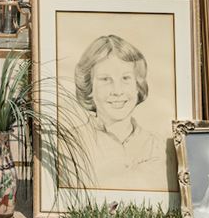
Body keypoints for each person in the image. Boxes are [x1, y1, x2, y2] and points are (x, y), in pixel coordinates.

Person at [71, 34, 166, 189]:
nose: (117, 91)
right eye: (105, 79)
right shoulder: (72, 143)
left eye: (126, 78)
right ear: (89, 88)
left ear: (138, 86)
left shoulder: (156, 145)